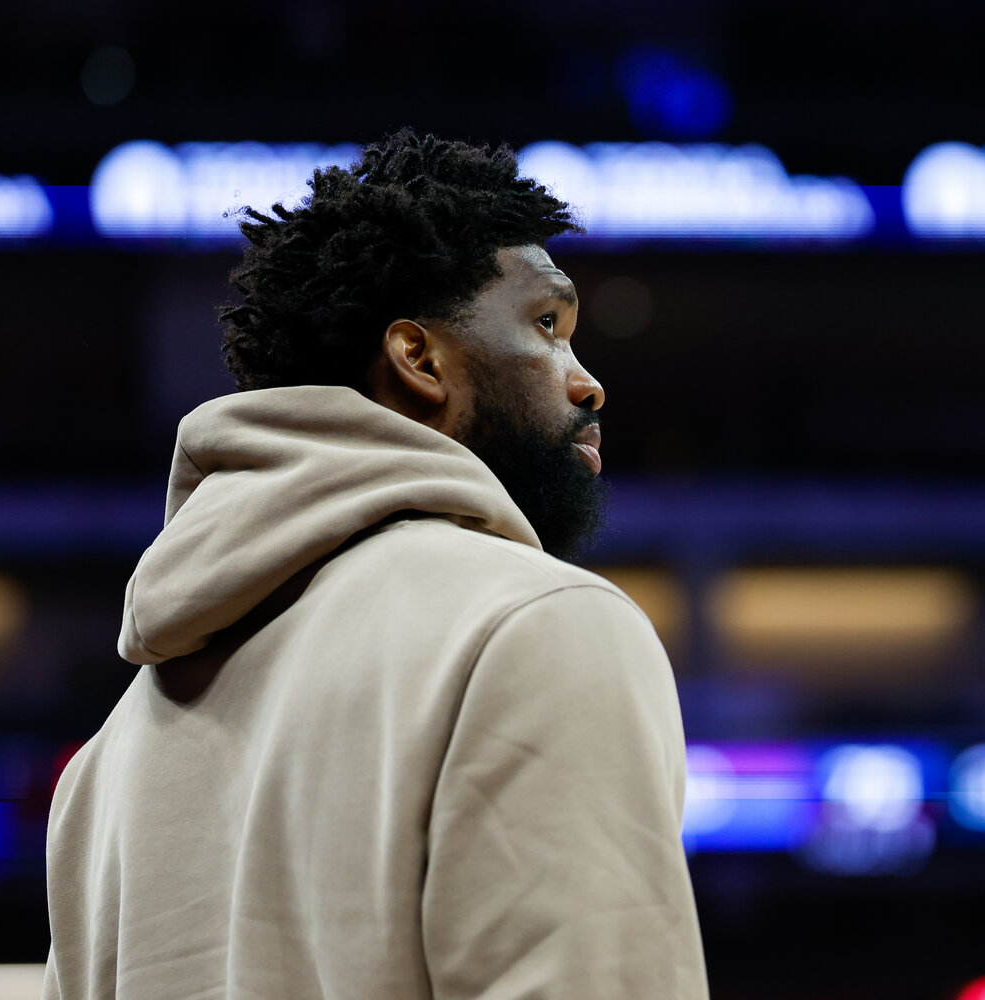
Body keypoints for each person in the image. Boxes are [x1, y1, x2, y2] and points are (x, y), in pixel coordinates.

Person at [41, 129, 708, 1000]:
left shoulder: (107, 764)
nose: (587, 383)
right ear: (418, 357)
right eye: (547, 325)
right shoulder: (536, 627)